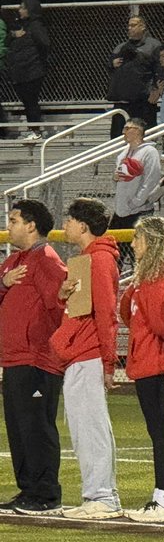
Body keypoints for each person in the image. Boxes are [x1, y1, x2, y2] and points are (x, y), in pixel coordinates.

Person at [51, 198, 123, 520]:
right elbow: (79, 308)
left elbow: (107, 314)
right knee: (85, 429)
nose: (65, 225)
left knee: (91, 429)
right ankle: (99, 494)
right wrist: (62, 295)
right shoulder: (87, 258)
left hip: (88, 354)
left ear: (82, 225)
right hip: (79, 354)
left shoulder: (100, 260)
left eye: (69, 220)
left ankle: (102, 497)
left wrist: (108, 362)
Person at [0, 199, 67, 515]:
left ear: (31, 225)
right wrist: (3, 283)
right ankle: (28, 490)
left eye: (14, 220)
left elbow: (59, 304)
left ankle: (46, 495)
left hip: (37, 359)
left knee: (37, 427)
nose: (8, 226)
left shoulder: (46, 258)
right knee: (19, 428)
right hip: (13, 358)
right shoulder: (14, 260)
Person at [120, 217, 164, 523]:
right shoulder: (149, 277)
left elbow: (162, 325)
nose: (133, 243)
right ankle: (161, 497)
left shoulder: (156, 280)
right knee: (157, 430)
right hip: (148, 357)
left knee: (159, 431)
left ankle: (163, 499)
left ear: (152, 241)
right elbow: (127, 314)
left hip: (152, 360)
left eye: (138, 238)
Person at [6, 0, 50, 142]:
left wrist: (35, 60)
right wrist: (14, 35)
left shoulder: (35, 26)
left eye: (22, 8)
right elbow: (7, 41)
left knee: (31, 101)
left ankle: (35, 130)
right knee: (27, 101)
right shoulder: (22, 25)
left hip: (32, 71)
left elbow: (44, 44)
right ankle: (33, 129)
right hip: (21, 71)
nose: (20, 10)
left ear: (29, 10)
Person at [108, 15, 161, 136]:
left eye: (133, 25)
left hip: (144, 100)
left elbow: (160, 69)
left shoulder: (153, 45)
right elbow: (110, 69)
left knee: (145, 134)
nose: (129, 28)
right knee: (117, 135)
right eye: (129, 25)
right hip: (122, 100)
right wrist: (112, 64)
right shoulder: (121, 47)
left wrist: (156, 89)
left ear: (143, 27)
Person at [111, 119, 162, 231]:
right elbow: (119, 179)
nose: (123, 132)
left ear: (138, 131)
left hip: (139, 211)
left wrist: (135, 203)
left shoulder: (150, 152)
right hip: (121, 211)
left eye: (127, 128)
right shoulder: (123, 153)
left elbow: (151, 181)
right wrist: (115, 178)